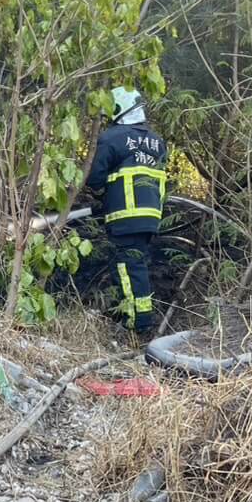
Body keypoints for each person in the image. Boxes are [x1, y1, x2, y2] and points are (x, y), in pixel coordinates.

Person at [87, 87, 168, 335]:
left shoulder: (112, 138)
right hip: (150, 215)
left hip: (125, 216)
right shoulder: (157, 142)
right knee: (137, 265)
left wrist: (99, 195)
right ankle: (139, 318)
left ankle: (137, 324)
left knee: (127, 266)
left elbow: (94, 177)